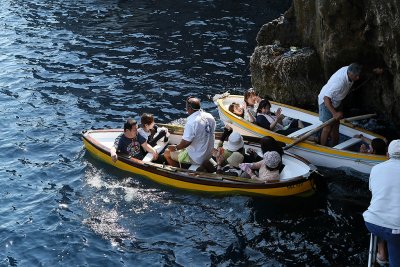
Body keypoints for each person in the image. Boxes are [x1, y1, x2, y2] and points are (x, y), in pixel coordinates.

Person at [363, 139, 400, 267]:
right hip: (396, 230)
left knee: (380, 208)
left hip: (372, 222)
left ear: (388, 155)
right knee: (395, 240)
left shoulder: (376, 168)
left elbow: (374, 192)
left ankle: (381, 252)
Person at [317, 63, 363, 146]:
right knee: (327, 127)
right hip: (326, 102)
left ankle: (335, 147)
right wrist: (334, 113)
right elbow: (326, 98)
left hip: (337, 100)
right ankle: (322, 148)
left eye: (358, 75)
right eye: (356, 76)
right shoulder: (339, 83)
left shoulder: (350, 69)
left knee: (336, 125)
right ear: (349, 74)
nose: (358, 78)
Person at [164, 96, 216, 168]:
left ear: (190, 108)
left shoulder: (191, 122)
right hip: (209, 154)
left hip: (197, 158)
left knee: (167, 153)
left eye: (186, 107)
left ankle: (180, 172)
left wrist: (175, 148)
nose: (186, 109)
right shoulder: (209, 116)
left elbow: (186, 143)